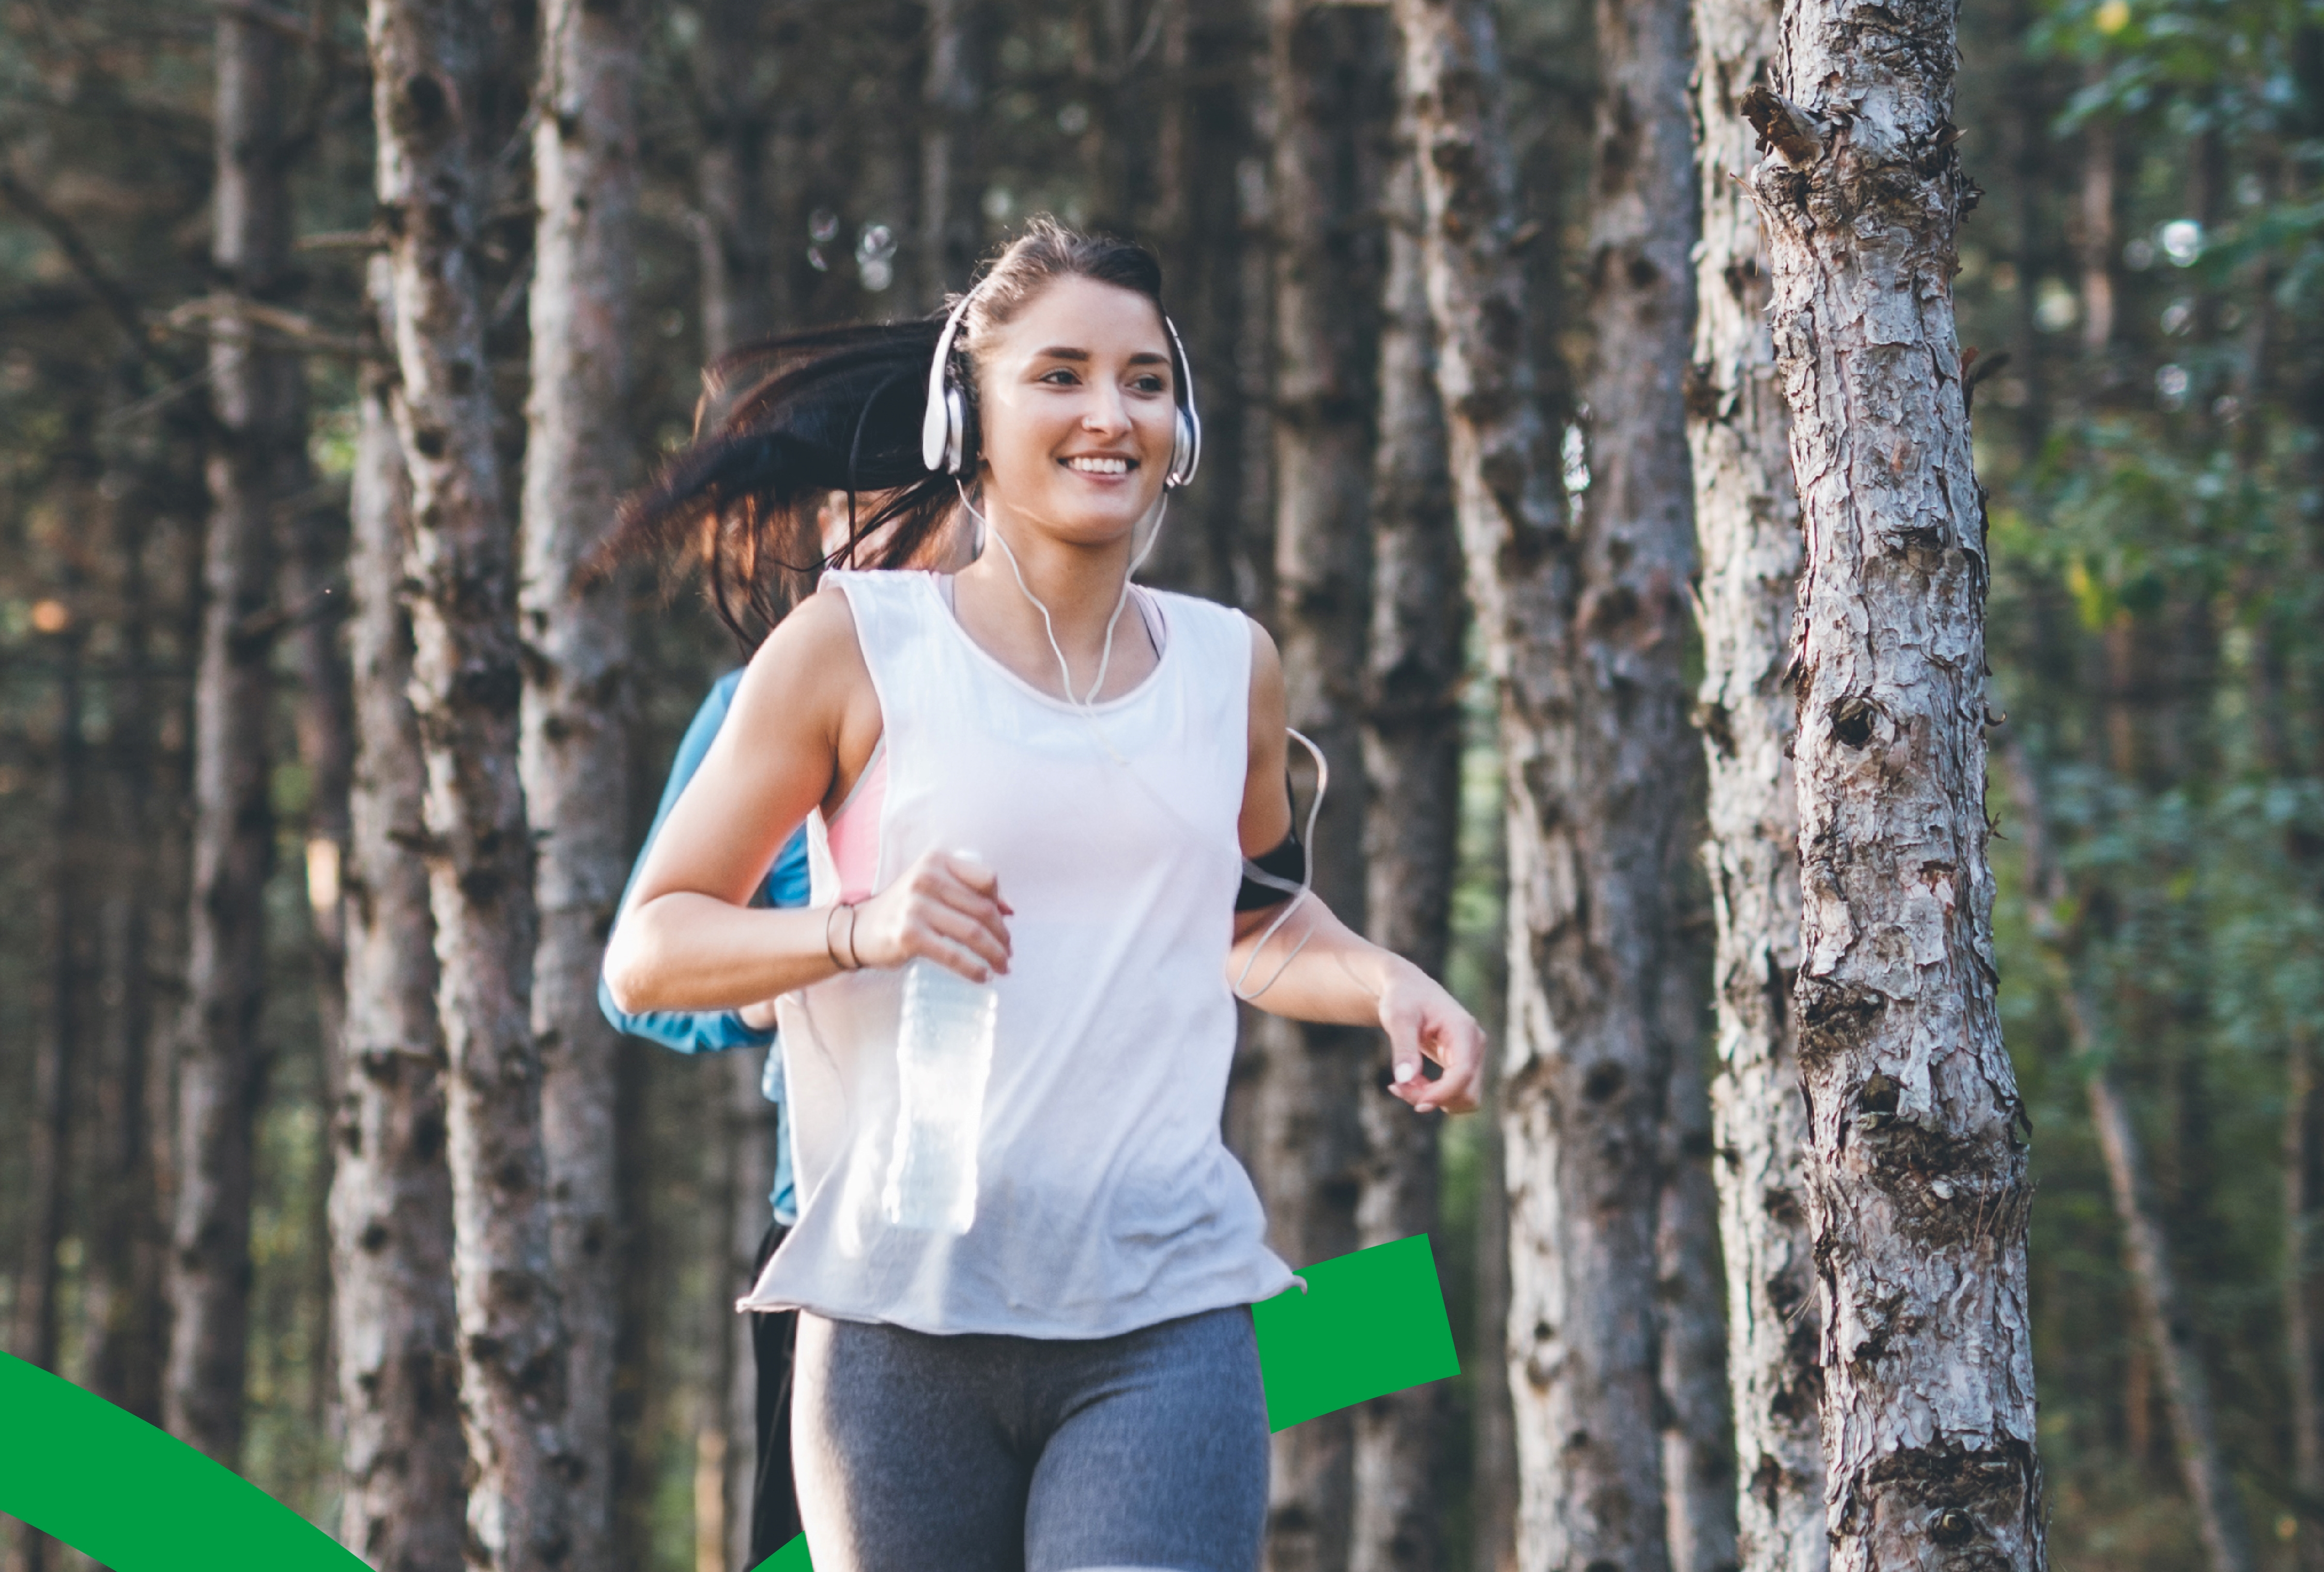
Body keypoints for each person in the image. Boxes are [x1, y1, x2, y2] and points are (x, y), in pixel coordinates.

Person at [603, 217, 1483, 1572]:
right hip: (900, 1326)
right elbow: (648, 957)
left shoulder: (1229, 666)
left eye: (1143, 380)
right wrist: (859, 930)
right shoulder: (846, 647)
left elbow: (1250, 924)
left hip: (1165, 1307)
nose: (1107, 413)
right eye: (1059, 374)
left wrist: (1381, 980)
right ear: (969, 416)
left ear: (1179, 425)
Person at [601, 472, 963, 1565]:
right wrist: (806, 962)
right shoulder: (758, 700)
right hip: (835, 1233)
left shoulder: (1089, 681)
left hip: (1077, 1240)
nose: (863, 541)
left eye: (901, 510)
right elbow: (644, 984)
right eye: (841, 517)